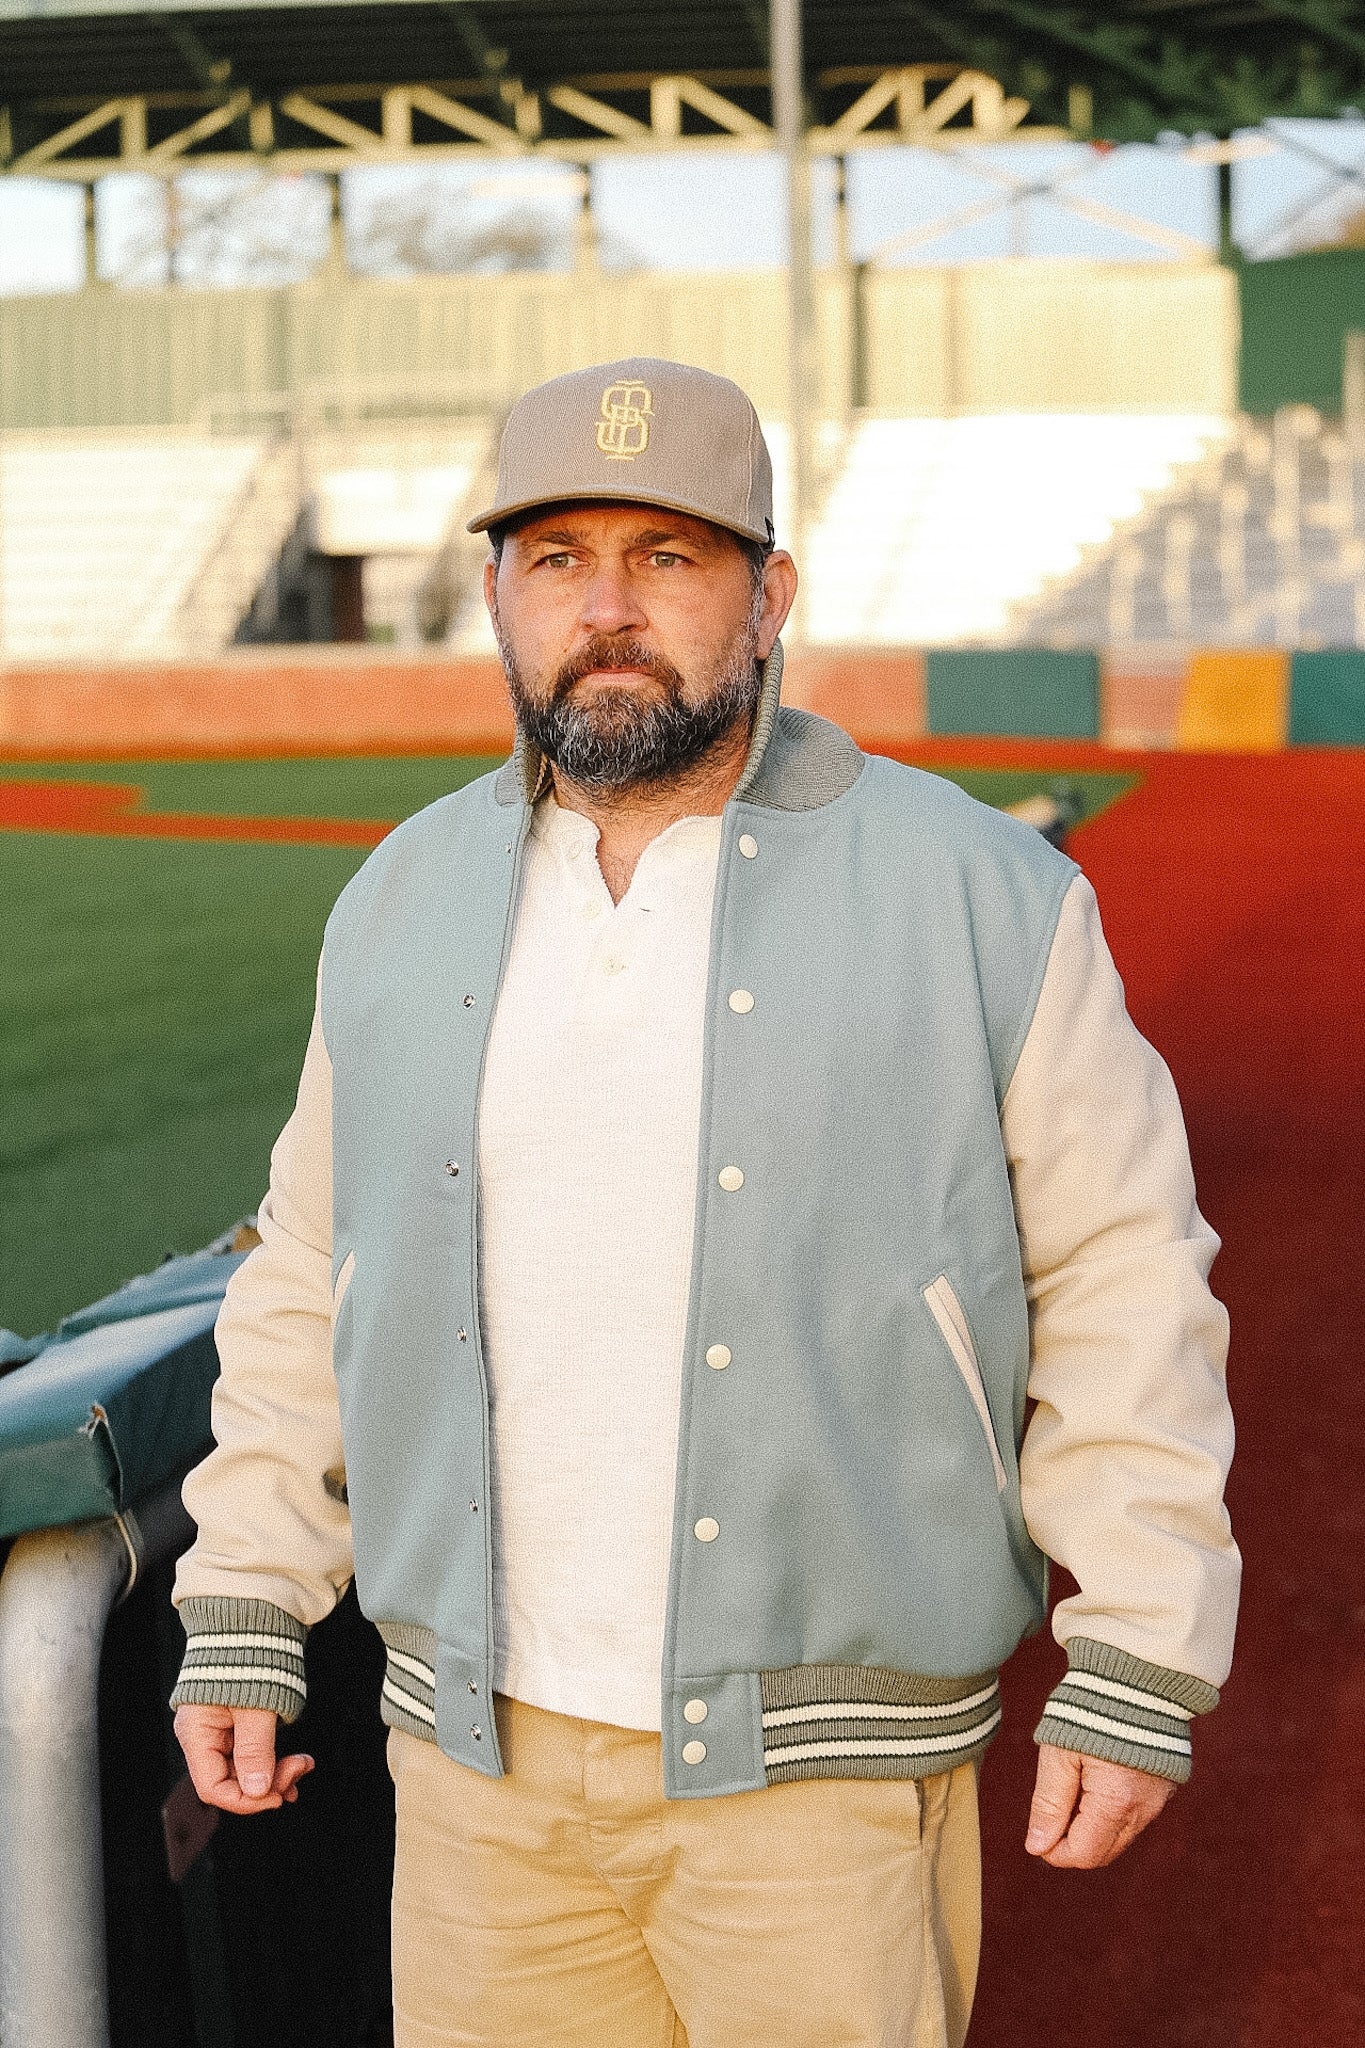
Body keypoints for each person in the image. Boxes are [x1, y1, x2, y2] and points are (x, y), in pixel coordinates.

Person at [171, 358, 1239, 2048]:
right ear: (498, 597)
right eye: (557, 557)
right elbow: (313, 1270)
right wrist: (245, 1600)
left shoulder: (983, 895)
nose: (606, 607)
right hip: (471, 1773)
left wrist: (1139, 1640)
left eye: (667, 557)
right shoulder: (398, 899)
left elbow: (1120, 1277)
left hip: (820, 1787)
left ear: (767, 598)